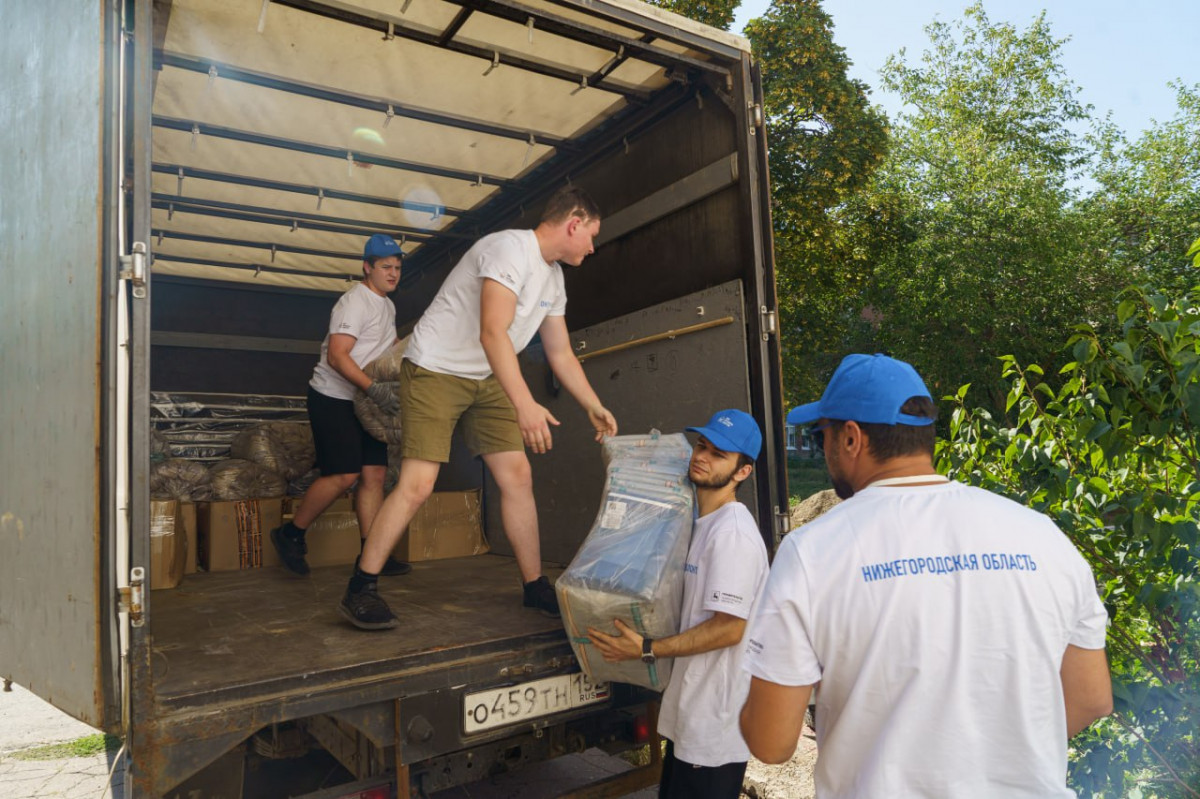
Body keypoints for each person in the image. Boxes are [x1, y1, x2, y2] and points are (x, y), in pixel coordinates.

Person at [739, 353, 1113, 798]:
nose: (824, 449)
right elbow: (1092, 698)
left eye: (824, 435)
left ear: (852, 438)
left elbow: (771, 741)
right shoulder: (1042, 536)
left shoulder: (812, 552)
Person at [340, 186, 619, 630]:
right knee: (418, 481)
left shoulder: (553, 278)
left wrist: (593, 404)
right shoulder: (508, 249)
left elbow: (560, 352)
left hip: (486, 376)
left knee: (517, 475)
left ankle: (534, 586)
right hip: (436, 368)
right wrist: (525, 404)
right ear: (574, 223)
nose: (592, 245)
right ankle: (362, 585)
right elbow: (494, 333)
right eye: (591, 235)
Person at [587, 409, 769, 799]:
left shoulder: (733, 535)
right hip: (691, 718)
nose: (702, 456)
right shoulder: (700, 523)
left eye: (719, 454)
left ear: (742, 472)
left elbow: (729, 628)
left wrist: (647, 649)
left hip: (714, 731)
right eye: (701, 445)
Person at [270, 234, 411, 578]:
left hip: (364, 402)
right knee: (344, 474)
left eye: (397, 268)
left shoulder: (387, 305)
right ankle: (290, 534)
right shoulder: (355, 302)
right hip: (333, 397)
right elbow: (337, 356)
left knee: (375, 475)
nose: (392, 273)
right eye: (385, 267)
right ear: (367, 268)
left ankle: (372, 554)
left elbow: (386, 347)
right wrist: (375, 390)